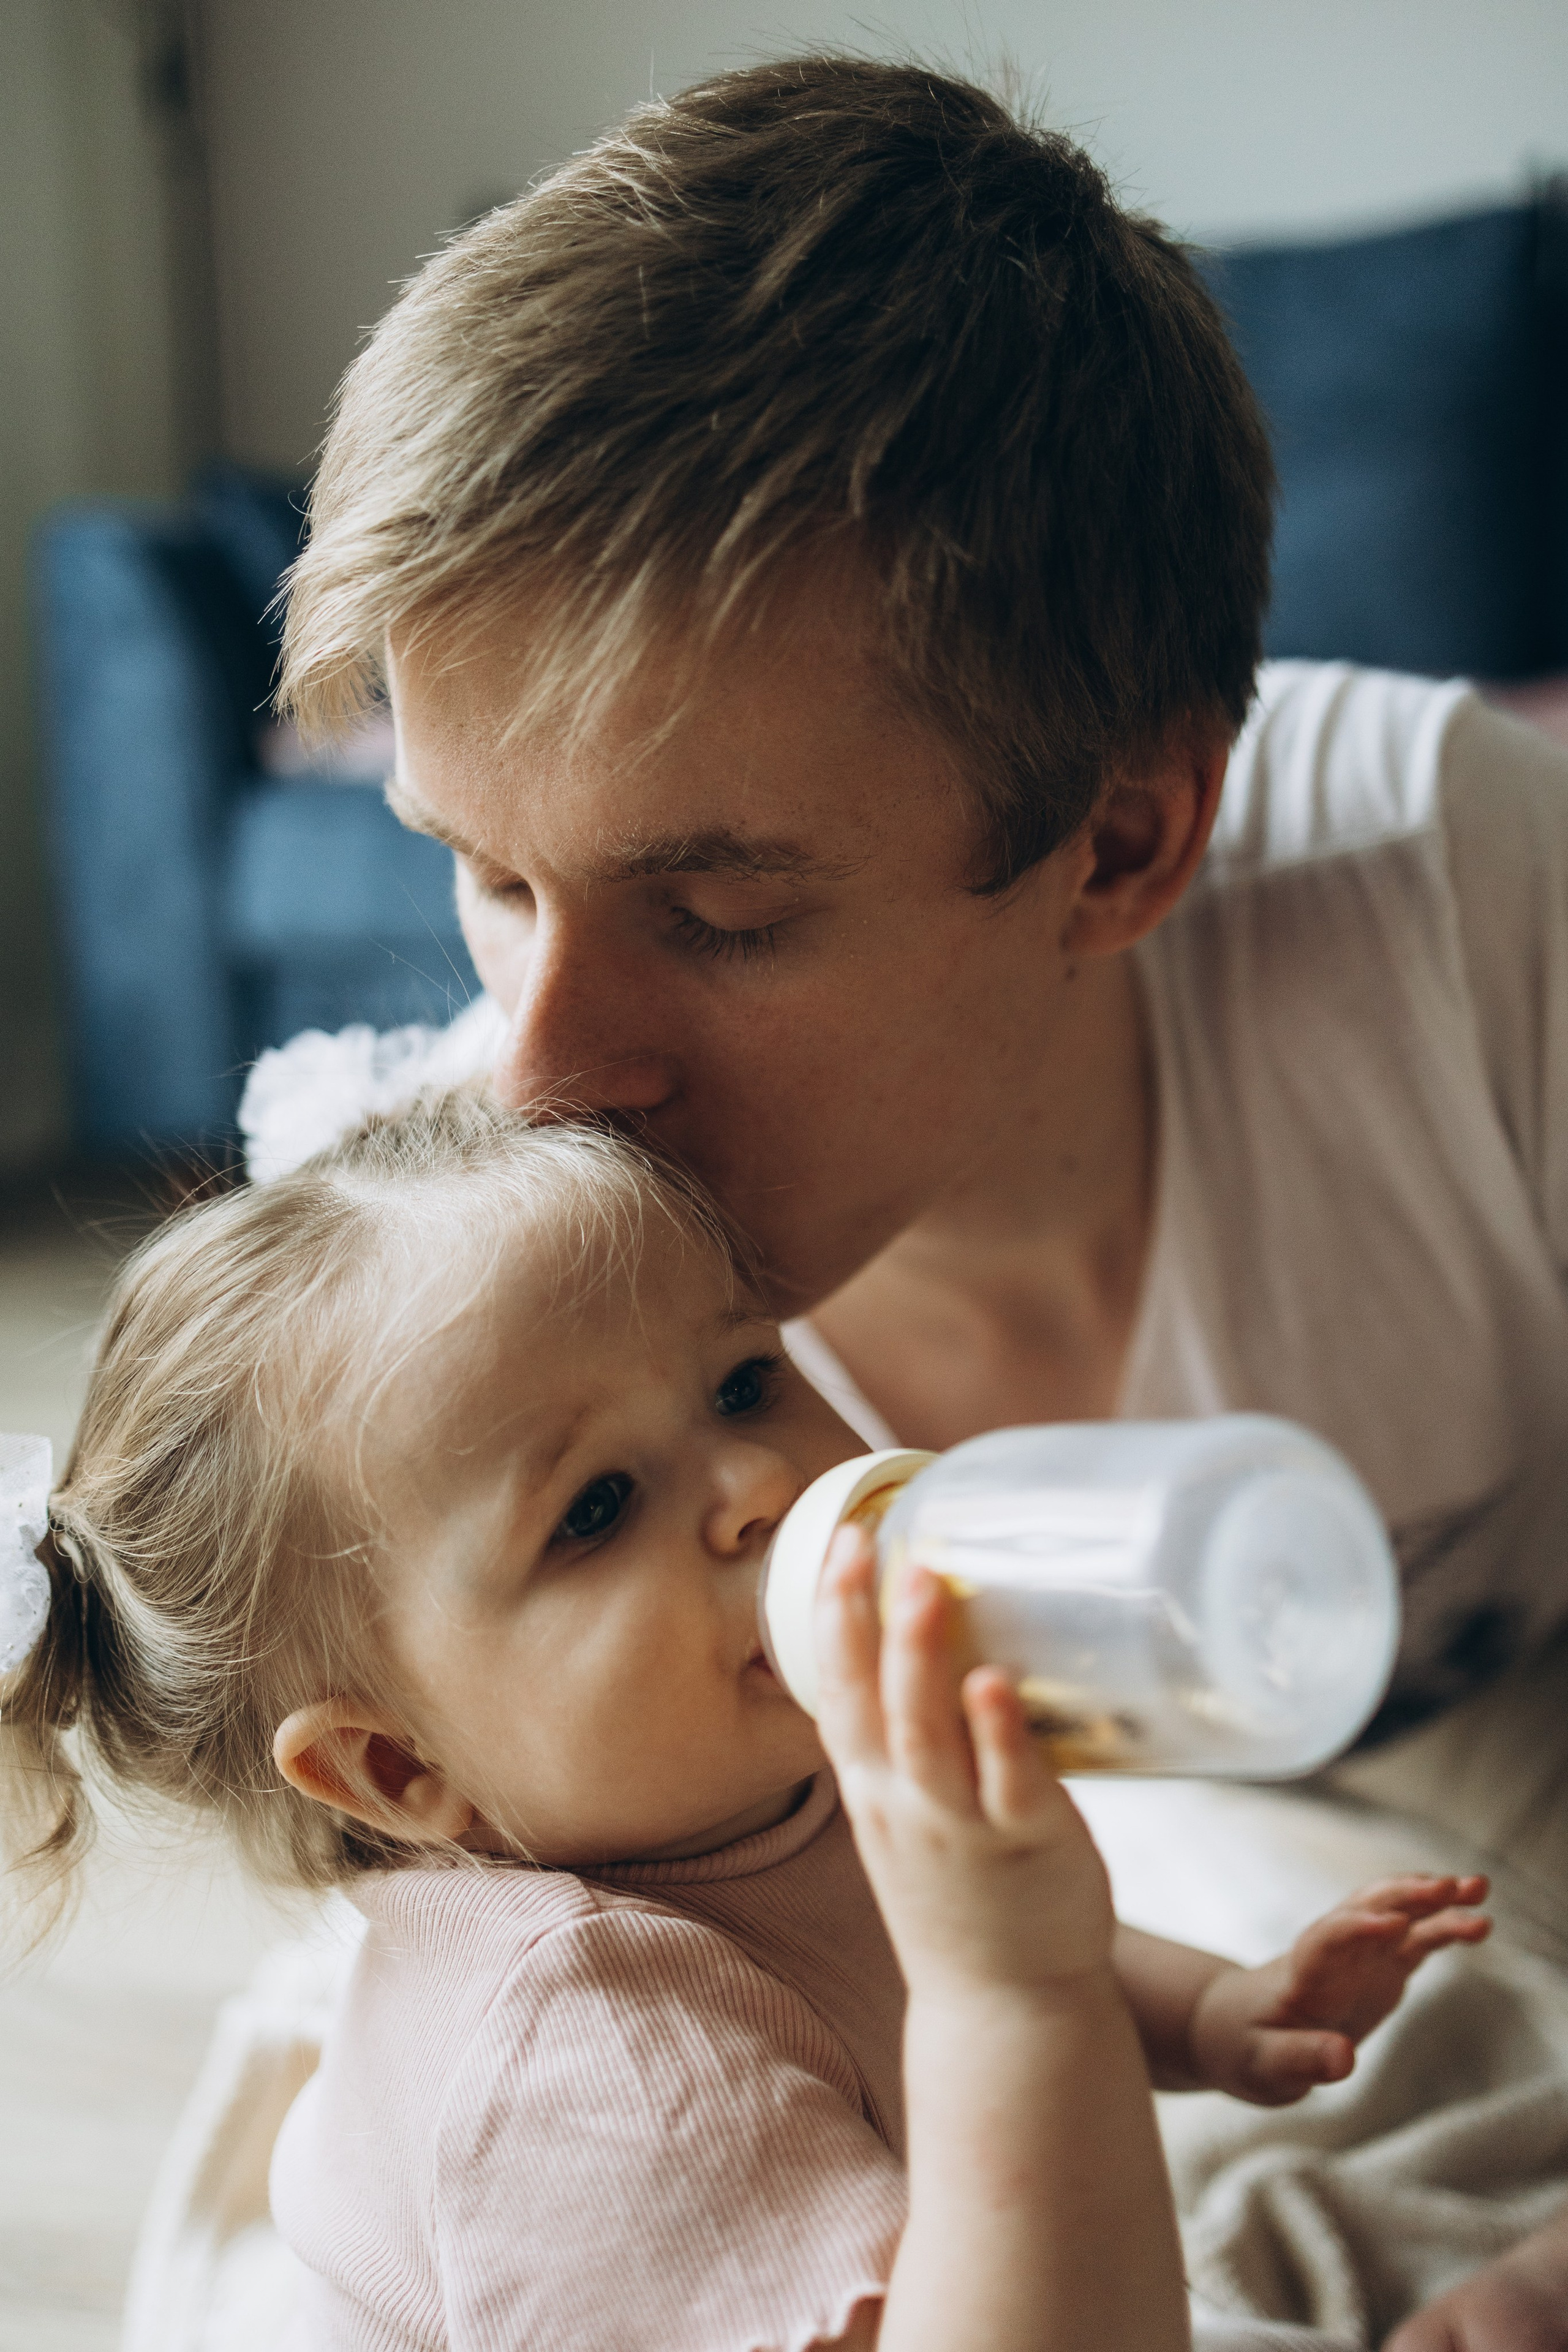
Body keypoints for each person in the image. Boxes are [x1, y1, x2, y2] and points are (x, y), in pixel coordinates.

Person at [255, 54, 1568, 2346]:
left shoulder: (1450, 915)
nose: (543, 1077)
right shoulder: (469, 1294)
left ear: (1122, 843)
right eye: (487, 877)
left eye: (722, 913)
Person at [1, 1092, 1491, 2351]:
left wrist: (1213, 2014)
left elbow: (892, 1932)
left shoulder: (729, 1766)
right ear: (399, 1766)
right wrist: (1017, 1996)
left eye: (741, 1380)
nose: (759, 1485)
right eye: (596, 1507)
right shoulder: (597, 2064)